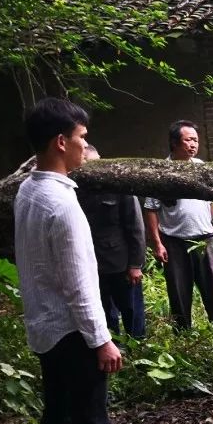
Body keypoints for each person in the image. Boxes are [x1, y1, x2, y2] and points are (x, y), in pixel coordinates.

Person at [13, 97, 160, 424]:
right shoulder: (63, 205)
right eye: (81, 137)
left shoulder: (27, 191)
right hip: (74, 332)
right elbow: (79, 281)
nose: (85, 145)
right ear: (61, 142)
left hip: (44, 327)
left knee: (56, 420)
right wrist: (101, 339)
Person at [143, 120, 213, 330]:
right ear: (174, 142)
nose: (193, 144)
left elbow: (212, 198)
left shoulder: (201, 168)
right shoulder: (161, 172)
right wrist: (157, 243)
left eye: (196, 140)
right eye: (188, 140)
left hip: (205, 239)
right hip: (175, 242)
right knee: (179, 291)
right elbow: (151, 209)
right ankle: (183, 332)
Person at [78, 145, 147, 339]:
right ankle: (114, 347)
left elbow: (136, 227)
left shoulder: (118, 188)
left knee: (132, 310)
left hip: (121, 263)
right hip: (92, 264)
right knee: (104, 312)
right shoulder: (77, 191)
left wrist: (135, 264)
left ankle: (139, 349)